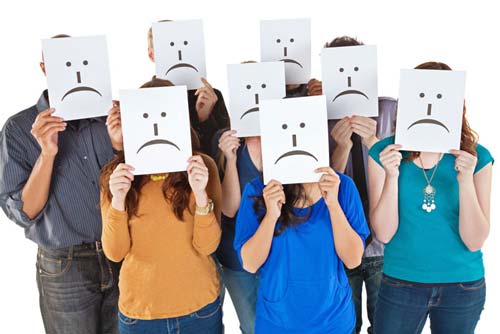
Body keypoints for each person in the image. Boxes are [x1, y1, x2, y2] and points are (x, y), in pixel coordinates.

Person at [0, 34, 122, 334]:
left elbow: (139, 187)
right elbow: (23, 212)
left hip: (121, 252)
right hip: (64, 265)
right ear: (44, 67)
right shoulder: (18, 128)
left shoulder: (112, 119)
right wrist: (47, 152)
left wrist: (122, 145)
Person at [369, 62, 493, 334]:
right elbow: (384, 233)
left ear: (457, 105)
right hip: (401, 282)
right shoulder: (384, 153)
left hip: (462, 285)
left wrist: (465, 182)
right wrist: (391, 176)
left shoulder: (478, 158)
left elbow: (474, 241)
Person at [100, 77, 223, 334]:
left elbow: (208, 245)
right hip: (141, 313)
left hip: (199, 308)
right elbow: (115, 252)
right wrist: (119, 200)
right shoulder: (116, 175)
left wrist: (200, 194)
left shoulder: (203, 166)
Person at [307, 36, 397, 334]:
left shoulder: (389, 112)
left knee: (388, 327)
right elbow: (315, 188)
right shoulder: (315, 119)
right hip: (341, 243)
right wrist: (341, 147)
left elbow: (408, 172)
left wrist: (373, 141)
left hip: (385, 247)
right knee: (346, 325)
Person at [234, 167, 370, 333]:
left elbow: (353, 259)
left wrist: (333, 205)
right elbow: (250, 263)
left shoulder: (342, 186)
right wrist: (271, 216)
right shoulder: (258, 190)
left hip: (333, 322)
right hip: (277, 323)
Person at [147, 23, 229, 156]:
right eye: (168, 47)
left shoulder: (212, 97)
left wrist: (204, 119)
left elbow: (224, 156)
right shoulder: (142, 99)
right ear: (152, 55)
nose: (178, 52)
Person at [213, 127, 262, 334]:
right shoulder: (226, 138)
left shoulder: (286, 131)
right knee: (252, 326)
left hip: (279, 254)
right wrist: (230, 160)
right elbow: (229, 209)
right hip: (237, 258)